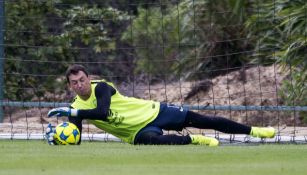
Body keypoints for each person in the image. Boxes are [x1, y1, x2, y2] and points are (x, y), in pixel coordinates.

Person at [46, 64, 275, 146]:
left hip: (154, 112)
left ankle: (255, 131)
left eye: (82, 80)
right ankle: (194, 140)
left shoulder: (101, 87)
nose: (79, 85)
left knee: (205, 120)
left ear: (88, 78)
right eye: (74, 83)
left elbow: (102, 113)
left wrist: (73, 112)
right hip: (136, 133)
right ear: (69, 86)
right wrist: (58, 137)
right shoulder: (73, 106)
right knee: (153, 141)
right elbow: (74, 136)